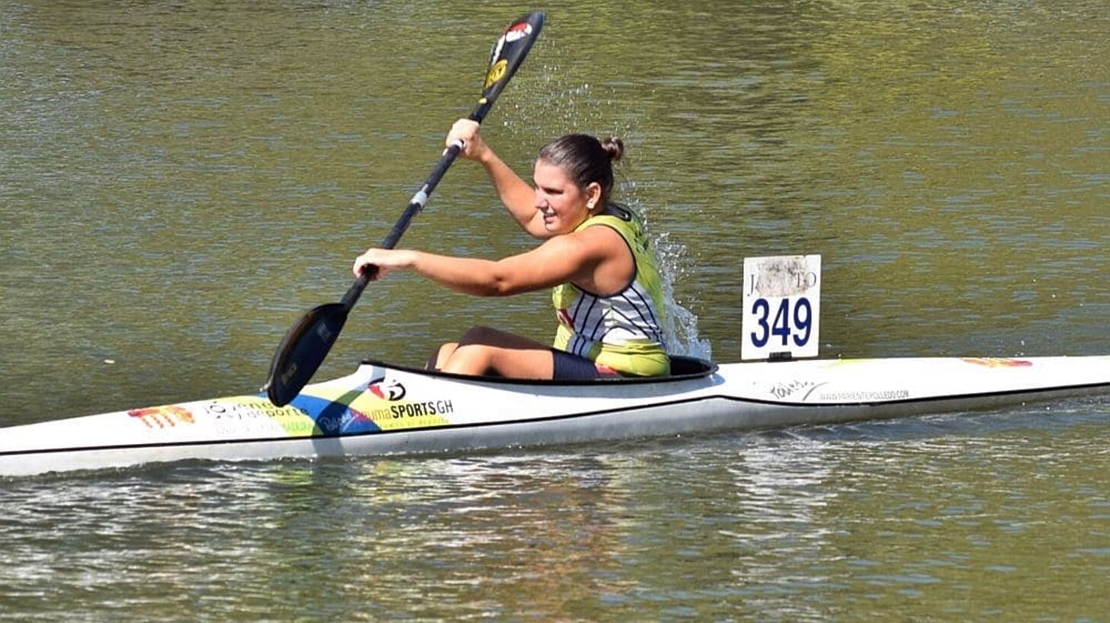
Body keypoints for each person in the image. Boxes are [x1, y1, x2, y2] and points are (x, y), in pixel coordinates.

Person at [352, 119, 670, 379]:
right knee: (450, 352)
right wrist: (484, 155)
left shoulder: (591, 245)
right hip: (586, 362)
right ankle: (413, 411)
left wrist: (409, 259)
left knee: (479, 346)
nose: (538, 201)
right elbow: (534, 218)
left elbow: (498, 281)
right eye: (537, 187)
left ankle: (423, 429)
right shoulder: (608, 213)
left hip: (627, 375)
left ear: (591, 194)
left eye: (553, 192)